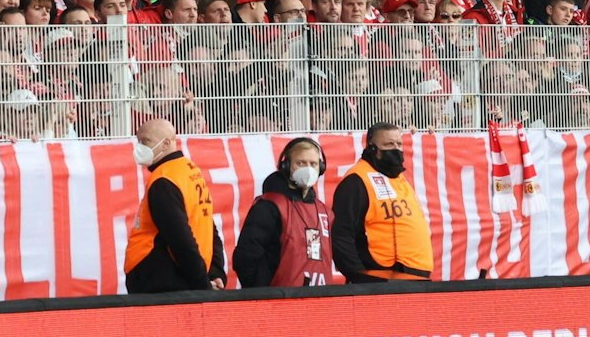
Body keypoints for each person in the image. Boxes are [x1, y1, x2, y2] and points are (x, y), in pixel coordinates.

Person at [123, 117, 225, 293]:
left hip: (161, 278)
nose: (140, 147)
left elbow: (179, 239)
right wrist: (214, 272)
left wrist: (203, 285)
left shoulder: (163, 180)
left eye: (146, 141)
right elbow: (208, 224)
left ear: (166, 143)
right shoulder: (189, 170)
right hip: (186, 276)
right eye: (138, 141)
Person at [331, 122, 433, 283]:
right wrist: (360, 278)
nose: (396, 149)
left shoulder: (398, 179)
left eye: (399, 144)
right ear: (372, 148)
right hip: (383, 276)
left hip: (413, 275)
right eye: (389, 144)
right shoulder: (356, 180)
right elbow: (341, 235)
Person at [233, 137, 335, 288]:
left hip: (319, 298)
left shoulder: (325, 212)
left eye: (313, 164)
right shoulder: (269, 206)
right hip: (277, 297)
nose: (308, 169)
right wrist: (262, 291)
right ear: (286, 166)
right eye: (301, 163)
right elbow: (246, 256)